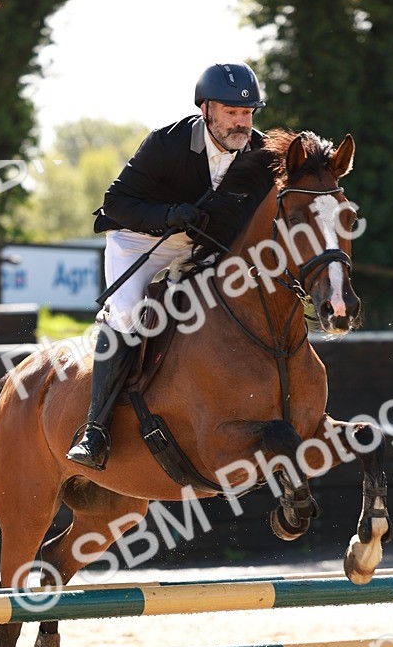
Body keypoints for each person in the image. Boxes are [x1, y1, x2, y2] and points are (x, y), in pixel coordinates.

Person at [67, 62, 266, 470]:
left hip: (203, 242)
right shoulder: (167, 142)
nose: (241, 123)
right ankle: (96, 430)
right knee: (125, 313)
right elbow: (116, 203)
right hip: (142, 237)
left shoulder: (258, 151)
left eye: (247, 114)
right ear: (206, 109)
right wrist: (168, 213)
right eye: (231, 113)